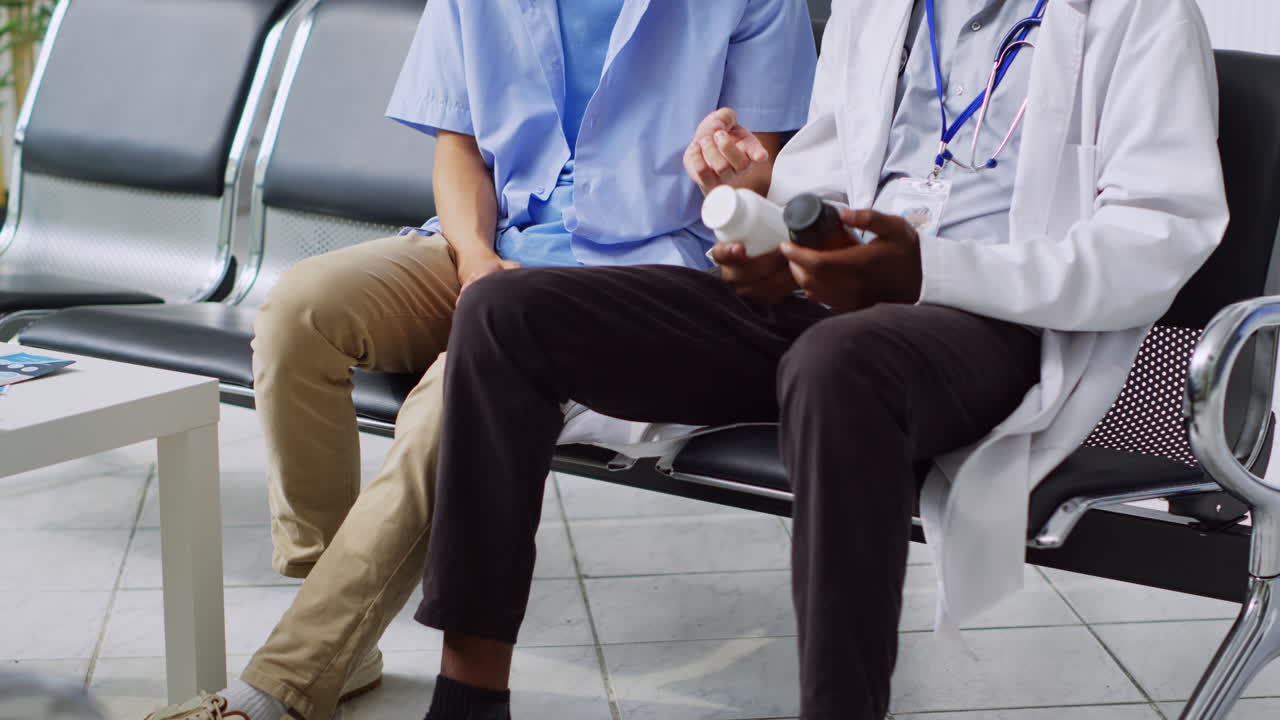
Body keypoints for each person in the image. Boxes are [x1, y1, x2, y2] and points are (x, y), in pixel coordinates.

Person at [411, 0, 1230, 718]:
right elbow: (822, 180)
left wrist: (927, 271)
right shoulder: (877, 9)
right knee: (505, 311)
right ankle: (471, 698)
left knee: (840, 361)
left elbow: (1160, 234)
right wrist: (766, 229)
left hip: (991, 320)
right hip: (836, 303)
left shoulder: (1142, 14)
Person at [146, 1, 816, 719]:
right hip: (490, 243)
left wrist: (733, 181)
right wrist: (475, 261)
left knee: (447, 400)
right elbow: (458, 145)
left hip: (645, 273)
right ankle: (339, 630)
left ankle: (290, 680)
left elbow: (764, 167)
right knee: (295, 312)